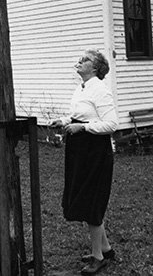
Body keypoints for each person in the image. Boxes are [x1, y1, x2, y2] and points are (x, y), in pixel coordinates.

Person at [50, 50, 119, 275]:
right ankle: (106, 248)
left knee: (92, 201)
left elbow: (111, 124)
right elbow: (81, 114)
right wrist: (65, 120)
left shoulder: (101, 89)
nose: (80, 62)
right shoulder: (82, 88)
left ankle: (98, 258)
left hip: (95, 151)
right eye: (80, 59)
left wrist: (84, 128)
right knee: (84, 197)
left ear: (96, 68)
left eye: (86, 60)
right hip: (79, 150)